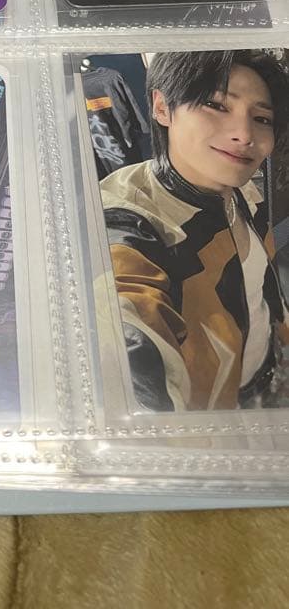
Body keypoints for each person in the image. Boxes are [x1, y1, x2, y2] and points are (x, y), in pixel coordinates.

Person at [100, 50, 289, 411]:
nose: (244, 134)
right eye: (216, 106)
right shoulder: (129, 221)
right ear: (162, 107)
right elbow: (129, 338)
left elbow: (261, 281)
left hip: (266, 370)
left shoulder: (242, 191)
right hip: (218, 415)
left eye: (261, 118)